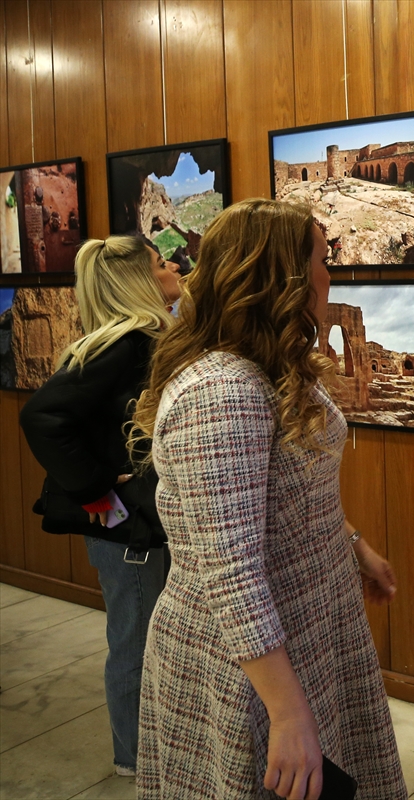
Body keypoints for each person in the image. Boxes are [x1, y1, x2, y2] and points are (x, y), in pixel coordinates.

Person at [129, 198, 406, 799]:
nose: (329, 275)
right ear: (279, 276)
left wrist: (352, 544)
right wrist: (286, 712)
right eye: (321, 261)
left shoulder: (265, 367)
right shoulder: (222, 393)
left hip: (302, 621)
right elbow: (230, 572)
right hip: (249, 658)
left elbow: (284, 493)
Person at [19, 235, 181, 777]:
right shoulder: (126, 344)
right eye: (162, 264)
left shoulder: (141, 339)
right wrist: (101, 499)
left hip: (132, 523)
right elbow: (42, 417)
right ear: (138, 281)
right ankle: (135, 761)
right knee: (134, 645)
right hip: (125, 531)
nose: (174, 267)